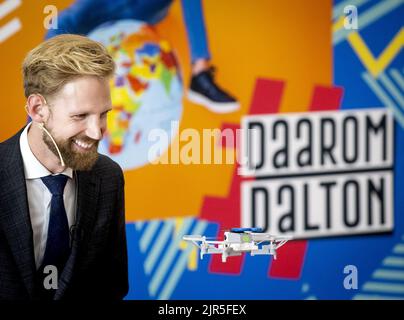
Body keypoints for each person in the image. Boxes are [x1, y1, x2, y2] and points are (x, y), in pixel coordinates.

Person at [0, 34, 128, 300]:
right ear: (37, 109)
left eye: (103, 114)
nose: (97, 132)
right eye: (80, 116)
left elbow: (112, 287)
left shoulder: (109, 177)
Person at [46, 0, 239, 113]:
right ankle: (40, 127)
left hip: (143, 10)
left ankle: (200, 74)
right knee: (60, 26)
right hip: (102, 12)